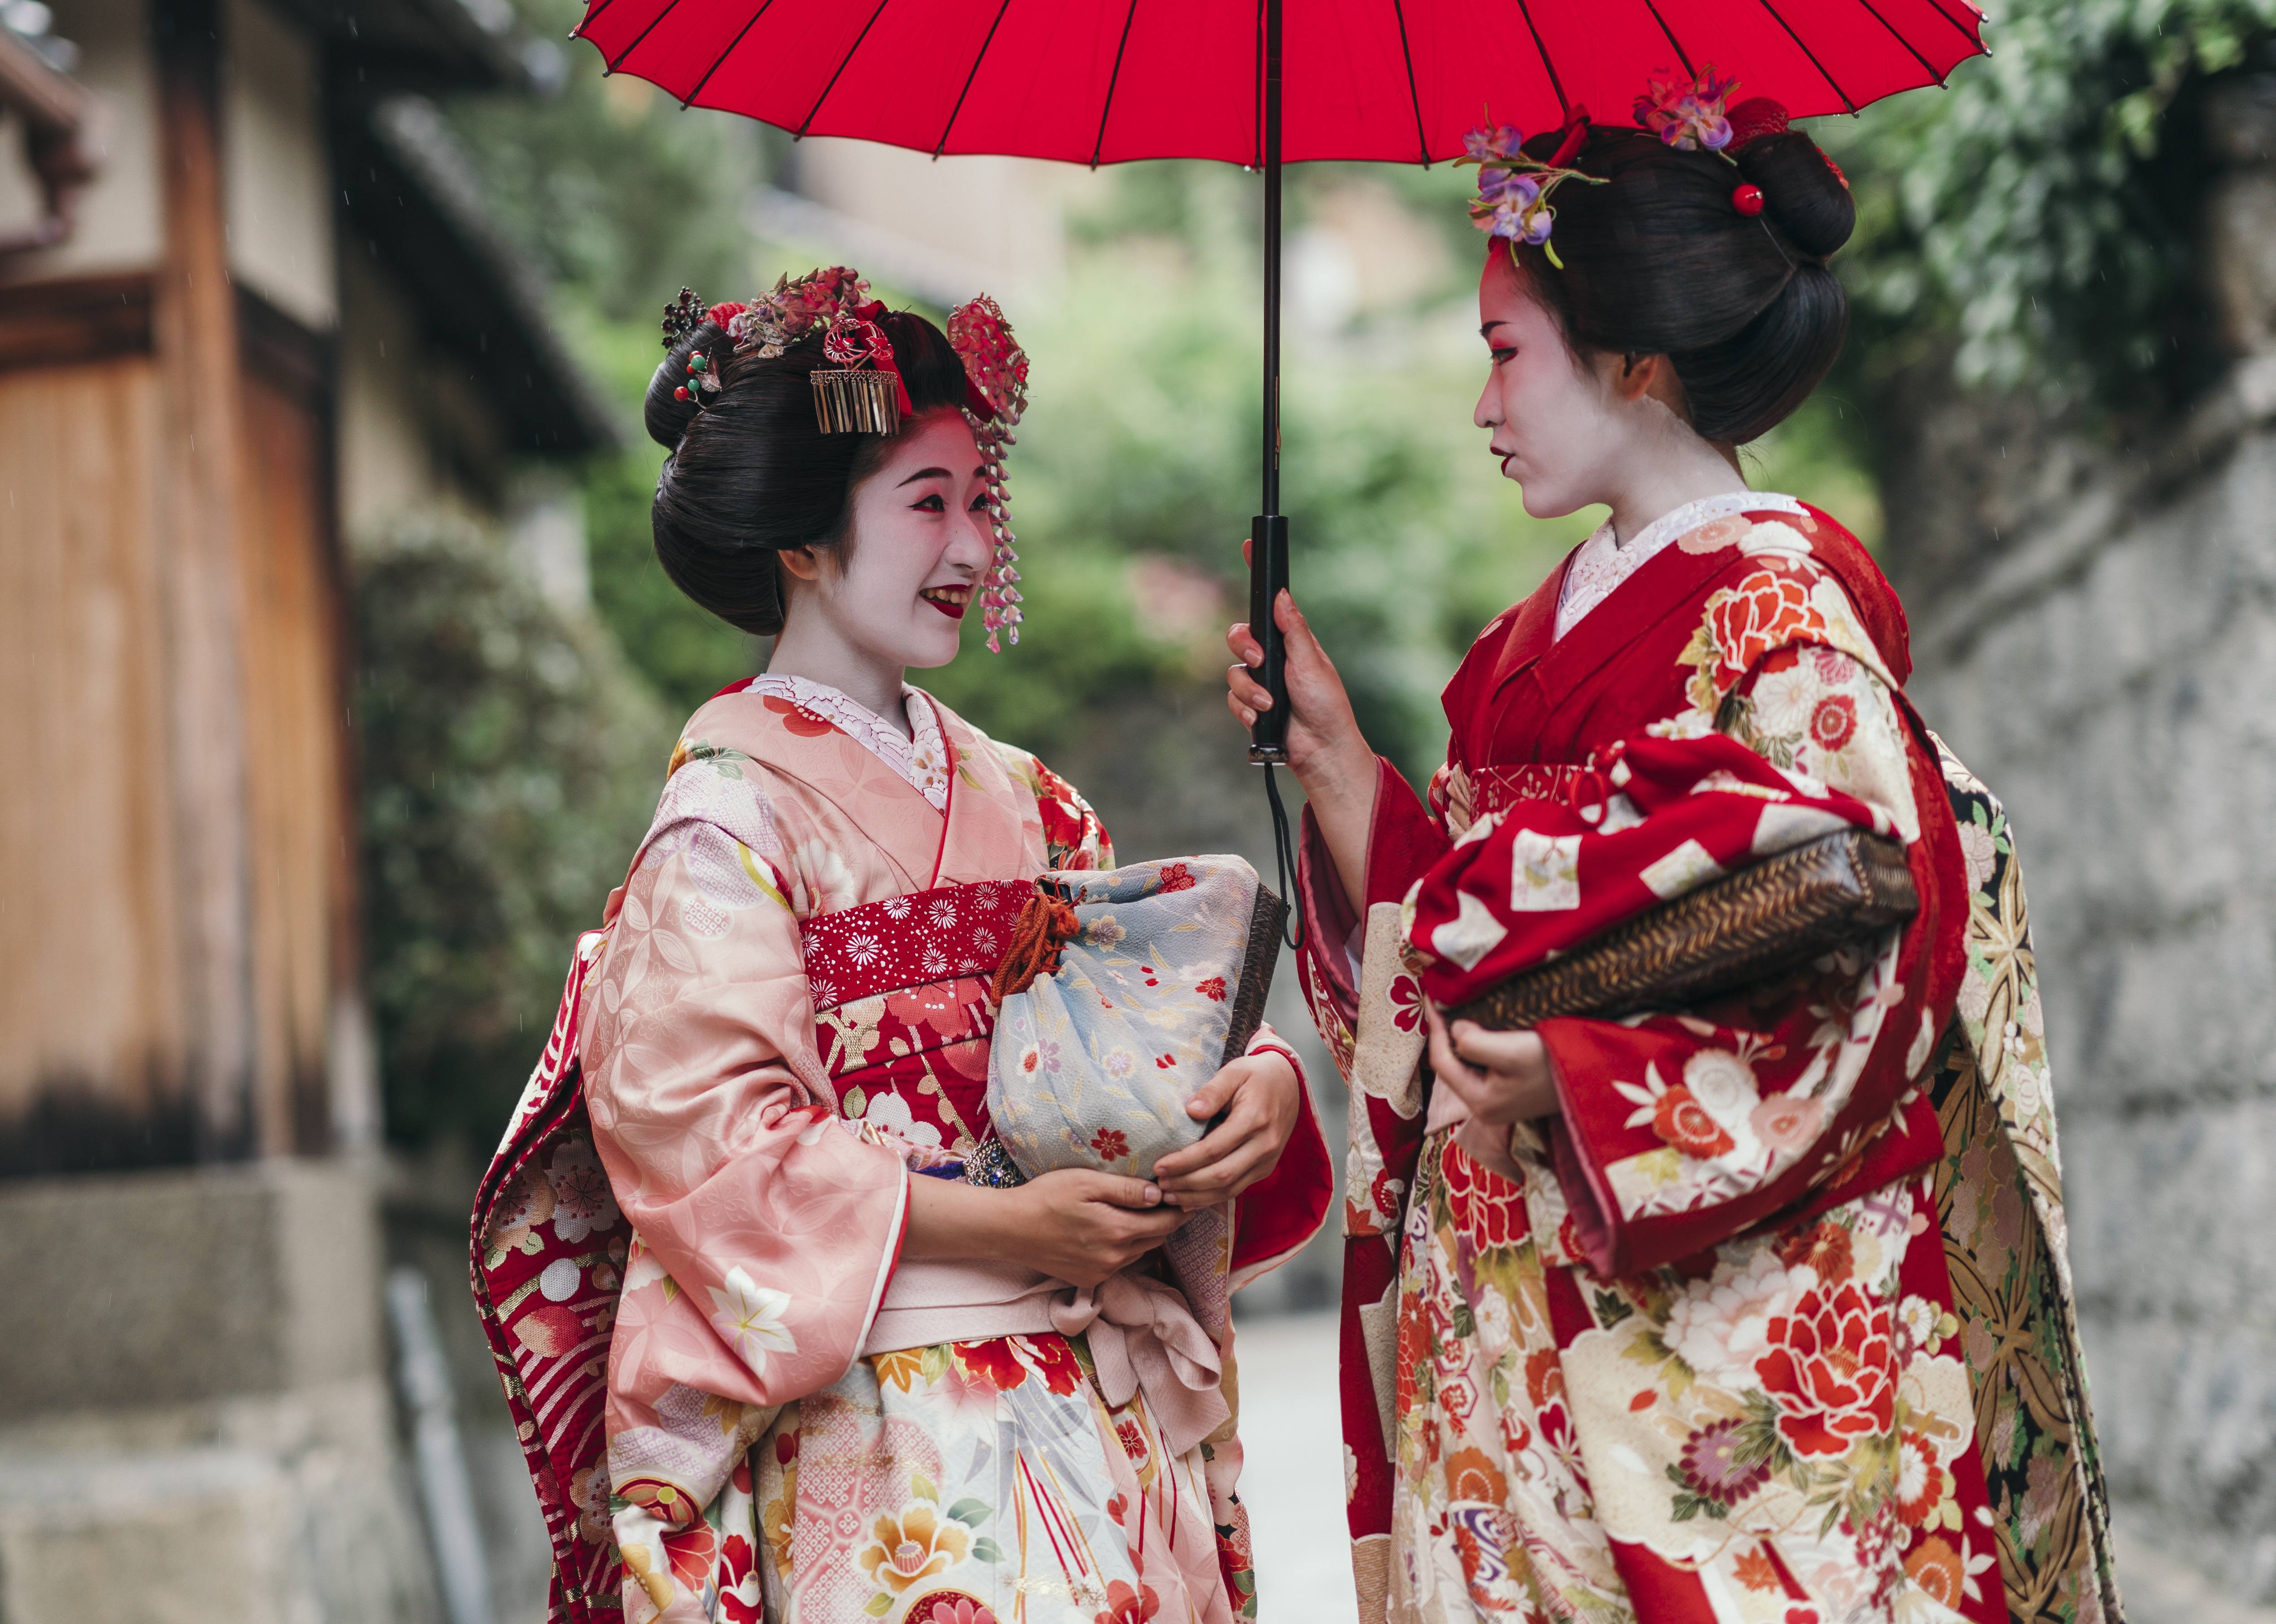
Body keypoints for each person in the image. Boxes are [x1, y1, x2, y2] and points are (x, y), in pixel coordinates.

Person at [1225, 80, 2118, 1624]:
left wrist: (1575, 1070)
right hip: (1504, 1284)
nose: (1485, 404)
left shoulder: (1776, 607)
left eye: (1505, 354)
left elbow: (1880, 940)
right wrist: (1335, 770)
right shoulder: (1528, 641)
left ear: (1634, 359)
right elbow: (1469, 921)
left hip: (1679, 1300)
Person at [478, 270, 1330, 1624]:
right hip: (874, 1416)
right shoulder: (724, 814)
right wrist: (1007, 1222)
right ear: (800, 540)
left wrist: (1262, 1080)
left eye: (980, 501)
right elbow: (713, 1149)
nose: (973, 547)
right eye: (926, 503)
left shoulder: (1026, 797)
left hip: (1080, 1386)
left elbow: (1127, 1025)